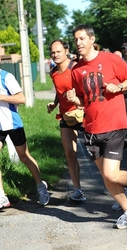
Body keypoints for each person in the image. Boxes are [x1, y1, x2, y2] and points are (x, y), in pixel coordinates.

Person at [66, 25, 127, 229]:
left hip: (114, 123)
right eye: (76, 40)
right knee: (106, 176)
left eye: (81, 39)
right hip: (91, 127)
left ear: (91, 39)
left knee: (111, 174)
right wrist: (74, 98)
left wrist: (120, 87)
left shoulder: (110, 59)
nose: (78, 43)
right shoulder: (77, 69)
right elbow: (85, 99)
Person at [0, 48, 50, 209]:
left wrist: (0, 97)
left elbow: (22, 98)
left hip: (12, 124)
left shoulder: (6, 77)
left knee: (24, 157)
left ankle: (41, 186)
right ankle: (2, 196)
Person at [47, 39, 86, 203]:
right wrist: (55, 103)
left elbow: (86, 90)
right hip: (65, 115)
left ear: (66, 51)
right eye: (53, 52)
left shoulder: (76, 68)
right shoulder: (53, 72)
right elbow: (59, 90)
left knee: (96, 154)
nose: (55, 55)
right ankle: (78, 190)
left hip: (83, 113)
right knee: (70, 153)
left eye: (58, 51)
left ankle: (111, 183)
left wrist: (81, 103)